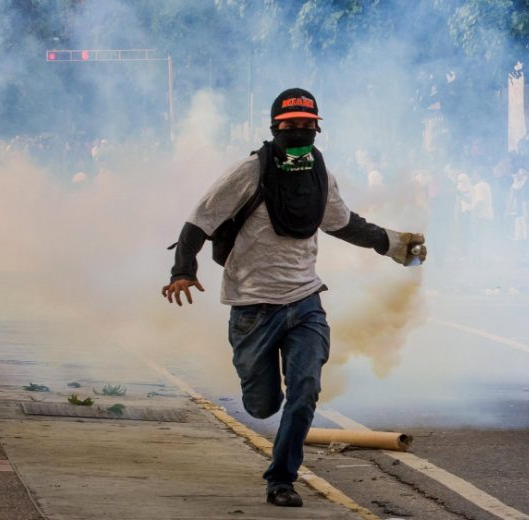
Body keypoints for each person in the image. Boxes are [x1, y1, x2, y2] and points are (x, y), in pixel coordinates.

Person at [161, 88, 426, 508]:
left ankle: (281, 479)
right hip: (252, 309)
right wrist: (182, 270)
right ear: (274, 127)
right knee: (262, 404)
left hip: (305, 302)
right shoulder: (249, 173)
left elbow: (343, 224)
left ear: (317, 129)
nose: (300, 132)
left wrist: (393, 244)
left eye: (307, 126)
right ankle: (268, 413)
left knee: (305, 389)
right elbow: (199, 220)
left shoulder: (321, 177)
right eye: (291, 126)